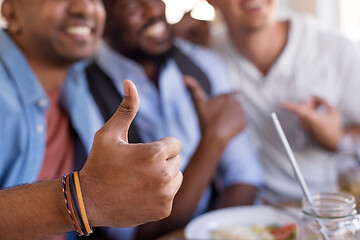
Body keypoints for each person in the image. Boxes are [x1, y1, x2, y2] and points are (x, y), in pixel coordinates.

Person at [0, 0, 183, 239]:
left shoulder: (76, 72)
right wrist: (82, 200)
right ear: (11, 12)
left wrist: (187, 32)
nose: (85, 8)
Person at [88, 0, 262, 239]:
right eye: (130, 4)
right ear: (102, 20)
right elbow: (130, 233)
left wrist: (221, 232)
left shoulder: (204, 64)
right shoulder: (85, 90)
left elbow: (244, 177)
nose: (153, 9)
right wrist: (212, 141)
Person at [207, 0, 360, 203]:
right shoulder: (207, 55)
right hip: (249, 215)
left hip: (326, 207)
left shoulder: (337, 49)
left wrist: (336, 137)